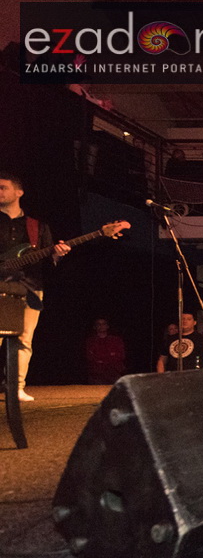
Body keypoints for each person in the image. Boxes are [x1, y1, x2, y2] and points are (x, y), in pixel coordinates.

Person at [0, 172, 71, 401]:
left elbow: (48, 260)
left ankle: (16, 387)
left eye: (3, 187)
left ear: (19, 192)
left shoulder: (37, 226)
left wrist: (58, 255)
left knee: (24, 339)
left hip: (29, 287)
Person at [84, 317, 126, 385]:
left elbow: (121, 355)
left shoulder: (116, 340)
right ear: (95, 327)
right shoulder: (91, 341)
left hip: (114, 372)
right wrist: (110, 355)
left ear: (107, 326)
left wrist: (103, 359)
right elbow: (90, 357)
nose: (101, 326)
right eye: (99, 324)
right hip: (97, 374)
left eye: (103, 324)